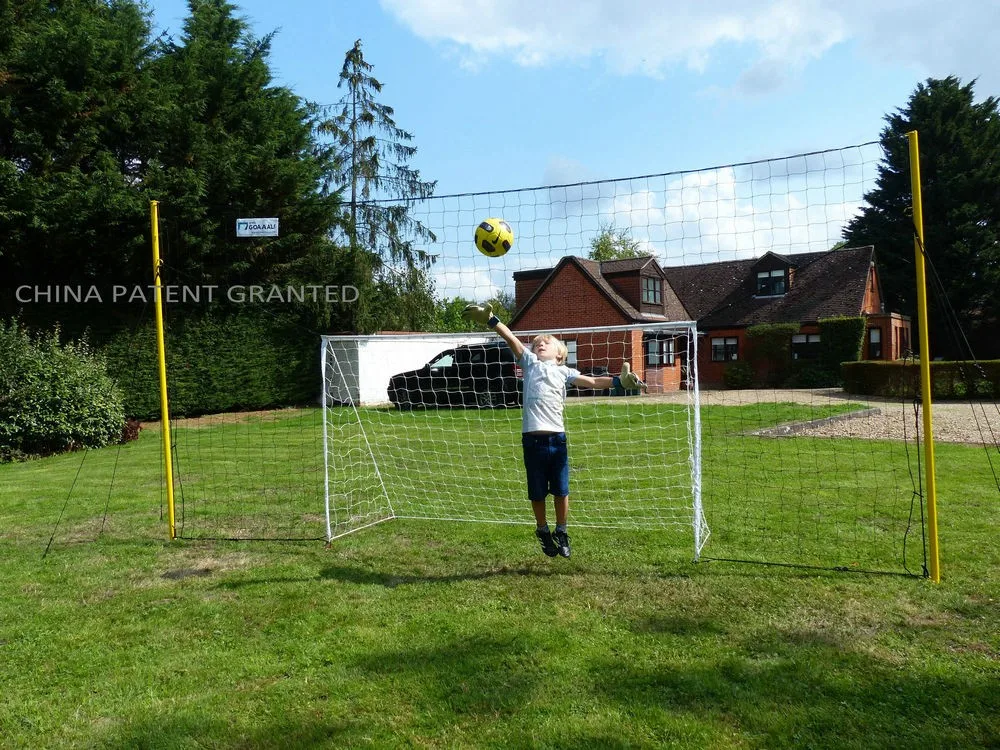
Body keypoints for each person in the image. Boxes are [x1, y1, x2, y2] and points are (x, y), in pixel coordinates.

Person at [462, 303, 645, 558]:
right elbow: (512, 338)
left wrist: (618, 382)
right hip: (532, 442)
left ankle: (561, 530)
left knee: (561, 490)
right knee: (536, 492)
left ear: (560, 354)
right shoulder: (530, 364)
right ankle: (542, 529)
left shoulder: (564, 371)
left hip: (557, 441)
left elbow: (592, 381)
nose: (540, 344)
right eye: (537, 343)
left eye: (546, 343)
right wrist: (492, 320)